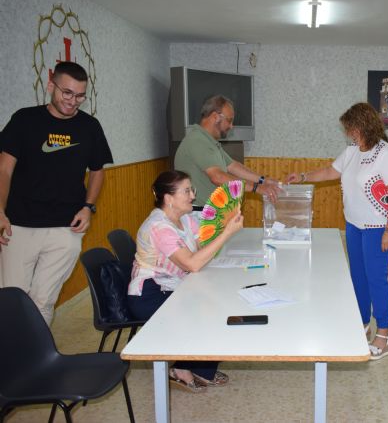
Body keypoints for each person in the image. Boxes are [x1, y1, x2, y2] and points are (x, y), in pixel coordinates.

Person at [286, 102, 388, 361]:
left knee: (376, 279)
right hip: (354, 225)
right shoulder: (352, 151)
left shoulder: (386, 154)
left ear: (364, 126)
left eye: (352, 128)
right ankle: (362, 322)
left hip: (378, 227)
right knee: (358, 277)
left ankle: (384, 332)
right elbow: (330, 171)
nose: (349, 133)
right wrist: (303, 176)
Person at [0, 61, 113, 325]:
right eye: (67, 93)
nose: (73, 101)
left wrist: (88, 207)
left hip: (66, 229)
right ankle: (11, 359)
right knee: (13, 298)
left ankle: (36, 361)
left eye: (80, 96)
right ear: (51, 86)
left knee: (44, 300)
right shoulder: (24, 120)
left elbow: (98, 171)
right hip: (19, 226)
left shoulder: (90, 127)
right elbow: (4, 169)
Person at [127, 170, 243, 391]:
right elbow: (191, 264)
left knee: (221, 303)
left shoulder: (186, 219)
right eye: (187, 190)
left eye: (192, 190)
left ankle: (199, 368)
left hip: (174, 285)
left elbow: (202, 249)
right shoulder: (159, 227)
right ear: (169, 198)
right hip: (150, 293)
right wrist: (227, 233)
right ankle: (182, 368)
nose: (193, 195)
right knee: (208, 312)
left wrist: (223, 223)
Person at [174, 94, 280, 205]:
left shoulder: (208, 141)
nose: (231, 126)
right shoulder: (197, 141)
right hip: (198, 215)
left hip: (210, 213)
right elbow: (218, 177)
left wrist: (264, 181)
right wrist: (256, 188)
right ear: (215, 117)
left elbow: (233, 166)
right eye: (229, 120)